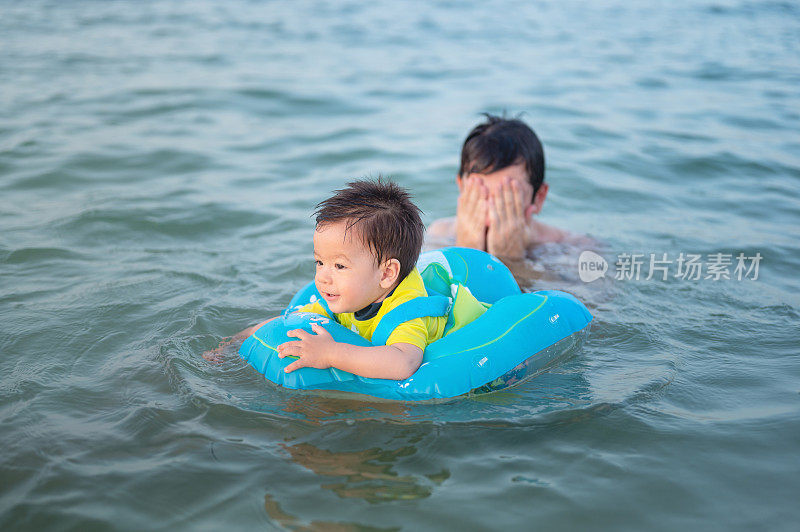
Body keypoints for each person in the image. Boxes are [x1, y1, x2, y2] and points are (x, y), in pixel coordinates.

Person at [205, 179, 447, 381]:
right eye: (319, 262)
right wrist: (235, 342)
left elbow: (403, 363)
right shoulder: (346, 294)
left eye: (339, 266)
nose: (322, 277)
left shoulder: (407, 311)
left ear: (386, 274)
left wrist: (331, 354)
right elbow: (291, 320)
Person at [427, 114, 575, 261]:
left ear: (539, 197)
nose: (492, 211)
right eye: (480, 194)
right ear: (462, 188)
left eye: (506, 196)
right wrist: (466, 251)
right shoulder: (438, 236)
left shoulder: (568, 248)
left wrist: (512, 260)